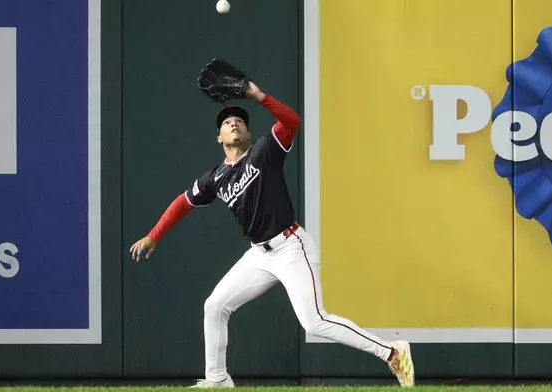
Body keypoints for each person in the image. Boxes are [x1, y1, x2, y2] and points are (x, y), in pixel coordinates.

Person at [129, 81, 415, 388]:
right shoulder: (215, 177)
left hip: (291, 246)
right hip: (259, 255)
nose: (233, 123)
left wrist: (259, 97)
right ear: (219, 137)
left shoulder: (265, 151)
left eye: (239, 120)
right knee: (215, 306)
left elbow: (292, 121)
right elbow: (183, 202)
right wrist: (153, 235)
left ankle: (392, 352)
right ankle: (218, 379)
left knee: (314, 321)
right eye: (226, 123)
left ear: (248, 134)